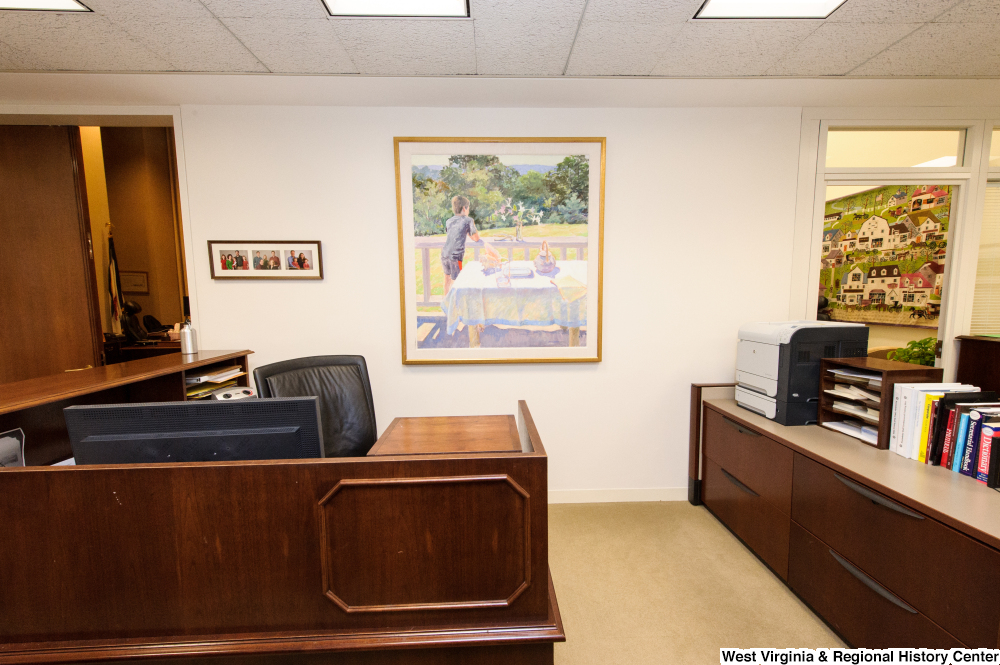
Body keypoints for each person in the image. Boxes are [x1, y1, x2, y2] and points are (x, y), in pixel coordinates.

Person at [440, 195, 479, 295]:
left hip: (445, 254)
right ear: (464, 208)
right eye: (468, 208)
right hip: (456, 256)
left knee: (447, 280)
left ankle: (445, 302)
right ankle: (455, 305)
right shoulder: (468, 220)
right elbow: (475, 238)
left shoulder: (449, 221)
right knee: (457, 281)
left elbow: (451, 233)